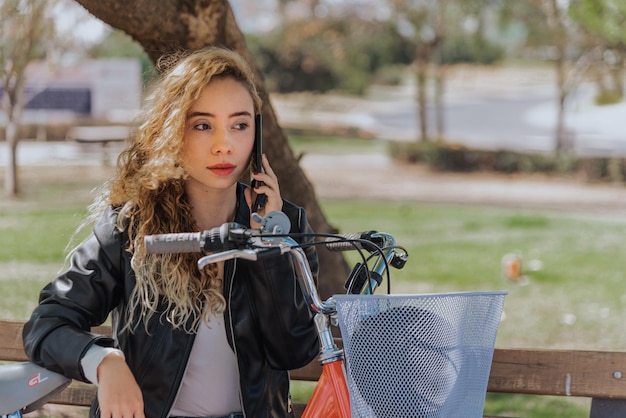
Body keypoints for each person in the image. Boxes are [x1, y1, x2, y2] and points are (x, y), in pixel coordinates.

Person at [22, 46, 320, 418]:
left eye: (239, 125)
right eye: (202, 125)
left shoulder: (286, 226)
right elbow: (47, 324)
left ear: (257, 135)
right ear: (173, 131)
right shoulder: (131, 226)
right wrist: (103, 359)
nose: (223, 144)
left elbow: (296, 350)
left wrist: (267, 242)